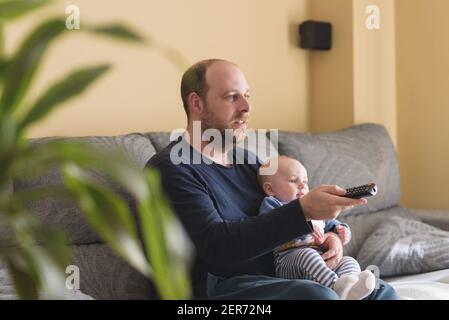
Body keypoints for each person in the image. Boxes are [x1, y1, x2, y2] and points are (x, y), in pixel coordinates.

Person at [146, 58, 398, 299]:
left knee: (380, 291)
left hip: (281, 274)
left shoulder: (251, 163)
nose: (246, 107)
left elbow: (282, 219)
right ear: (197, 104)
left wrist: (329, 239)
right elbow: (217, 246)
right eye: (232, 97)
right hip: (219, 287)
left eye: (247, 96)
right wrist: (302, 211)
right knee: (316, 296)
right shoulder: (171, 169)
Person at [258, 155, 376, 299]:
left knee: (348, 261)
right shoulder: (272, 205)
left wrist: (340, 232)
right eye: (293, 180)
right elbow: (271, 228)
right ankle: (336, 287)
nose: (302, 185)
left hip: (321, 259)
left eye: (305, 182)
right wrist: (302, 217)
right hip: (288, 260)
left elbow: (331, 224)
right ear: (270, 189)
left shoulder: (313, 206)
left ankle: (352, 289)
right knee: (308, 255)